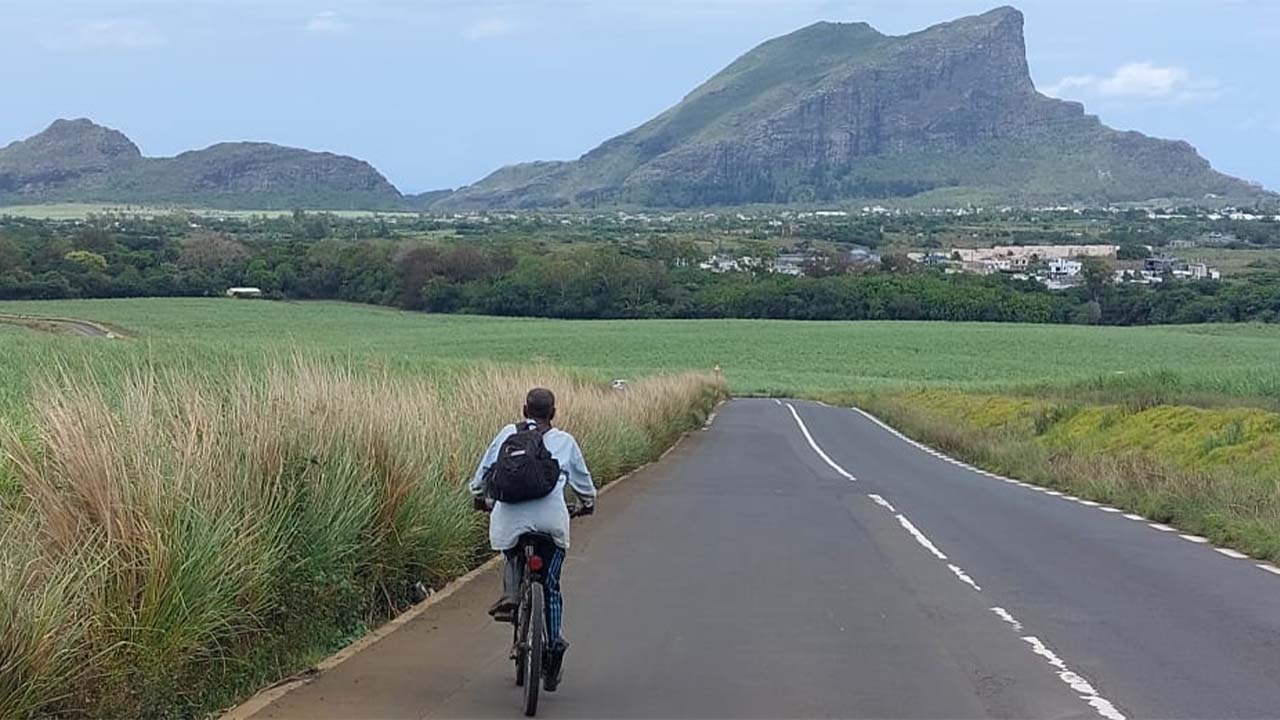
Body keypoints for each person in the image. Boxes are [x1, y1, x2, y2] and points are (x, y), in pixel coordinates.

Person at [470, 387, 595, 692]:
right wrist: (587, 504)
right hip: (551, 523)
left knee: (511, 553)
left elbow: (484, 472)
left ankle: (512, 593)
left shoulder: (507, 434)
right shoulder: (565, 441)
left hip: (508, 521)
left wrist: (478, 497)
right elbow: (583, 483)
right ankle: (552, 647)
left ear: (524, 409)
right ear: (553, 413)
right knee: (550, 586)